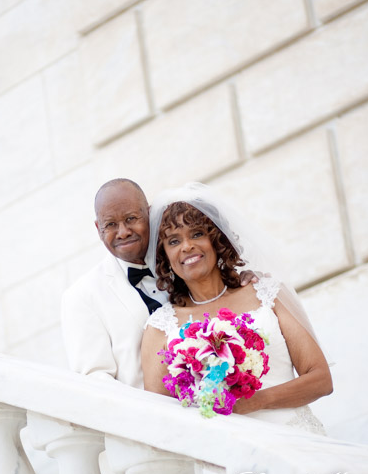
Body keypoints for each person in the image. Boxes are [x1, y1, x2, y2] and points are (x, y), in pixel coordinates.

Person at [61, 178, 258, 474]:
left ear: (148, 215)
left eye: (131, 219)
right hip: (150, 458)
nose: (122, 231)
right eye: (110, 224)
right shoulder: (82, 296)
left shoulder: (185, 263)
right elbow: (95, 383)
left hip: (223, 441)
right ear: (97, 229)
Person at [140, 183, 332, 433]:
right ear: (164, 256)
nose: (186, 246)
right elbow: (162, 420)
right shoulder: (160, 328)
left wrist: (255, 401)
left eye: (197, 234)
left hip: (295, 438)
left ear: (216, 239)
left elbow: (320, 380)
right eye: (174, 241)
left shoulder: (267, 294)